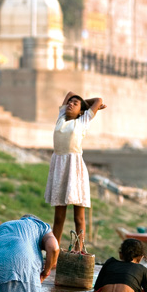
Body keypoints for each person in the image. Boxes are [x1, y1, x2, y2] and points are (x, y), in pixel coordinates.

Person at [44, 91, 106, 247]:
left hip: (75, 170)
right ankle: (55, 252)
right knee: (58, 217)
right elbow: (70, 93)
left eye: (75, 104)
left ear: (82, 111)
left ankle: (79, 252)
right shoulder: (61, 118)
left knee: (79, 218)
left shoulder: (83, 121)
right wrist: (80, 103)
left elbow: (98, 100)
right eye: (69, 103)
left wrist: (86, 107)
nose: (70, 104)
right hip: (59, 168)